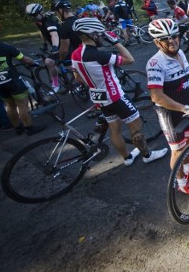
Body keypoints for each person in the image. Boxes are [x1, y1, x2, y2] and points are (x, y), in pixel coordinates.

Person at [70, 18, 168, 165]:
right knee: (136, 126)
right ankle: (147, 155)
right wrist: (115, 42)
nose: (101, 37)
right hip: (116, 97)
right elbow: (130, 59)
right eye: (99, 34)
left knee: (115, 130)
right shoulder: (99, 56)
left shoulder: (75, 54)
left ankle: (127, 158)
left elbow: (77, 77)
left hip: (100, 98)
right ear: (92, 35)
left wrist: (95, 84)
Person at [146, 18, 189, 194]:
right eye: (165, 38)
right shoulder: (155, 63)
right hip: (170, 114)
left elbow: (187, 78)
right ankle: (182, 184)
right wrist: (185, 109)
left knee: (187, 145)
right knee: (177, 151)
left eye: (175, 36)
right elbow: (156, 96)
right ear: (156, 42)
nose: (172, 41)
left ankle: (186, 170)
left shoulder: (181, 53)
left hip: (186, 108)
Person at [0, 38, 45, 135]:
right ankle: (29, 128)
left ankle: (18, 128)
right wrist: (34, 63)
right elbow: (25, 59)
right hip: (12, 81)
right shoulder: (5, 47)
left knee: (10, 106)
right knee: (22, 105)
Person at [25, 3, 61, 92]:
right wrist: (44, 45)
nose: (33, 18)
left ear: (40, 12)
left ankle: (56, 84)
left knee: (49, 62)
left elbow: (54, 35)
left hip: (63, 44)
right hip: (56, 44)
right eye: (31, 16)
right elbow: (42, 33)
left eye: (34, 15)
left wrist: (55, 47)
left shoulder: (49, 21)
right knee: (53, 62)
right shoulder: (39, 22)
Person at [53, 0, 82, 66]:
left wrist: (60, 60)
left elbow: (64, 50)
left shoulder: (64, 27)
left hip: (79, 58)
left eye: (57, 12)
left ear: (60, 10)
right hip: (91, 54)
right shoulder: (80, 21)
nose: (57, 15)